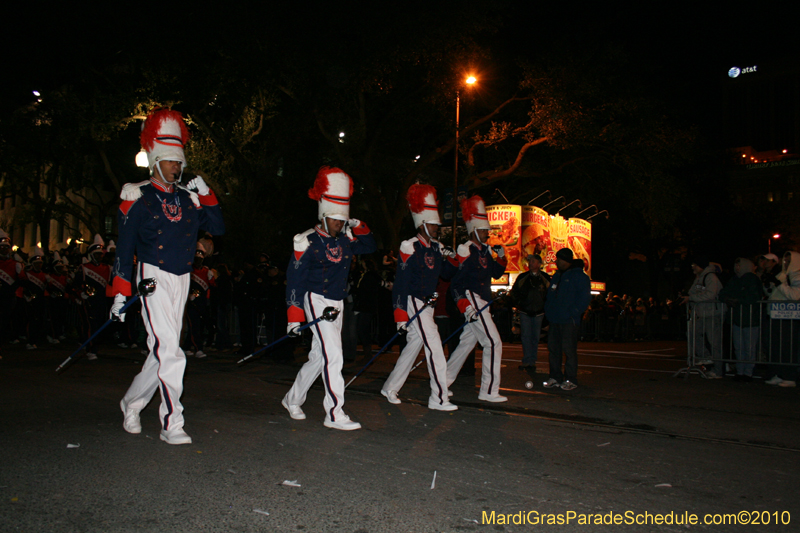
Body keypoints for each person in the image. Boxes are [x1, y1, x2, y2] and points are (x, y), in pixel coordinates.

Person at [111, 108, 225, 445]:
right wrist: (119, 292)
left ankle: (131, 402)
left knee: (163, 350)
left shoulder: (190, 200)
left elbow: (217, 228)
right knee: (172, 352)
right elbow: (124, 250)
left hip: (183, 277)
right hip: (152, 276)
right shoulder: (138, 197)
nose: (177, 166)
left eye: (180, 161)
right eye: (170, 160)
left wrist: (207, 194)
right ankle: (171, 422)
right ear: (156, 160)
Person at [282, 167, 376, 430]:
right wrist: (293, 318)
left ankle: (292, 399)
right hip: (316, 300)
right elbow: (295, 281)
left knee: (320, 357)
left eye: (342, 219)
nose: (339, 223)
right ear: (323, 217)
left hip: (337, 302)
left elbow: (370, 246)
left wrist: (358, 225)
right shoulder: (306, 241)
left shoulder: (346, 240)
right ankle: (334, 412)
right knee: (335, 354)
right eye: (335, 219)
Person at [381, 184, 458, 411]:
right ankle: (438, 398)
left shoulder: (437, 248)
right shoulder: (409, 246)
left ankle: (390, 387)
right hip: (414, 302)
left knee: (413, 346)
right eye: (433, 224)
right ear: (423, 224)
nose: (437, 228)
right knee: (435, 346)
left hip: (428, 304)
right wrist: (400, 315)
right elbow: (401, 284)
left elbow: (445, 275)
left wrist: (452, 259)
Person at [445, 195, 509, 402]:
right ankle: (489, 391)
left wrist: (502, 256)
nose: (487, 233)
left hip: (484, 302)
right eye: (483, 230)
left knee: (465, 345)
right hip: (473, 301)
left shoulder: (487, 251)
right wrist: (465, 306)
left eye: (487, 230)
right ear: (474, 230)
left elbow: (497, 274)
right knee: (493, 343)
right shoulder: (465, 250)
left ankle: (441, 382)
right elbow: (456, 284)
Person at [543, 248, 591, 390]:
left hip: (569, 320)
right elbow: (550, 296)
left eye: (559, 259)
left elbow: (584, 298)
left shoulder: (579, 276)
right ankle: (555, 376)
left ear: (566, 260)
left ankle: (571, 378)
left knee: (569, 350)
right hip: (555, 319)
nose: (556, 262)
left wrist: (573, 312)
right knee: (554, 349)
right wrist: (549, 312)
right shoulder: (557, 276)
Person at [718, 258, 762, 382]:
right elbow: (723, 293)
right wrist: (728, 299)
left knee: (749, 347)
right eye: (735, 265)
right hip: (737, 318)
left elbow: (753, 297)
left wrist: (735, 299)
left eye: (739, 265)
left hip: (749, 319)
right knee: (739, 347)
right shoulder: (734, 279)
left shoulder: (752, 279)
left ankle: (747, 372)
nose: (737, 268)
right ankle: (741, 371)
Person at [681, 256, 724, 376]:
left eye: (695, 265)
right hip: (702, 313)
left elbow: (710, 295)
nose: (693, 267)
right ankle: (705, 357)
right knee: (692, 333)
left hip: (712, 314)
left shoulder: (711, 277)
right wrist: (687, 296)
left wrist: (692, 298)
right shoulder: (699, 278)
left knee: (714, 342)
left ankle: (718, 370)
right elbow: (692, 292)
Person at [764, 251, 800, 387]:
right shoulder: (784, 274)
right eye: (785, 261)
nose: (786, 263)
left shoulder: (797, 275)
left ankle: (790, 376)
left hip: (789, 316)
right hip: (776, 314)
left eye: (789, 261)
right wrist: (768, 285)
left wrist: (778, 284)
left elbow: (795, 296)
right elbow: (773, 294)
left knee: (788, 347)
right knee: (776, 347)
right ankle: (779, 374)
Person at [509, 253, 549, 372]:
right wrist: (519, 303)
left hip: (539, 312)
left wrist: (545, 306)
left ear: (539, 264)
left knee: (535, 337)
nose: (530, 264)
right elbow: (514, 292)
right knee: (526, 336)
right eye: (530, 261)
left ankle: (532, 360)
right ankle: (527, 360)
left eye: (533, 261)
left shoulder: (545, 278)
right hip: (525, 311)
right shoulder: (523, 277)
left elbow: (550, 294)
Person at [78, 235, 112, 359]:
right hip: (89, 301)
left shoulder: (107, 268)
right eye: (97, 254)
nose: (100, 256)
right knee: (91, 324)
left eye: (101, 254)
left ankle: (92, 345)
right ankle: (91, 349)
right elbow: (75, 285)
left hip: (102, 301)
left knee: (99, 325)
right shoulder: (84, 268)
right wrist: (81, 293)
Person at [184, 242, 215, 358]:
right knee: (194, 325)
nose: (198, 261)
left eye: (200, 259)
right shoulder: (189, 270)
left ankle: (186, 347)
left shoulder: (206, 271)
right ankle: (198, 349)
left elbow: (211, 286)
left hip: (202, 303)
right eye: (196, 258)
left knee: (197, 326)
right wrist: (190, 295)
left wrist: (212, 279)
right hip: (191, 303)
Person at [0, 230, 25, 354]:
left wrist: (20, 273)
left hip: (7, 297)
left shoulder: (15, 264)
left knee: (3, 322)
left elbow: (22, 281)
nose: (5, 249)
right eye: (2, 247)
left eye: (6, 247)